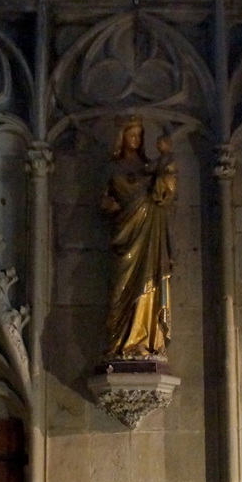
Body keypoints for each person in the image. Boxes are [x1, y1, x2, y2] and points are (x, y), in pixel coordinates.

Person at [99, 119, 177, 361]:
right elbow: (102, 200)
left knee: (148, 282)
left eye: (139, 135)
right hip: (126, 233)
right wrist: (109, 205)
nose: (135, 139)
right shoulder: (112, 167)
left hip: (150, 232)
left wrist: (167, 158)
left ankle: (145, 341)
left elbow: (165, 191)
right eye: (130, 134)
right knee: (119, 290)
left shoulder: (149, 166)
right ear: (121, 137)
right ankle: (119, 345)